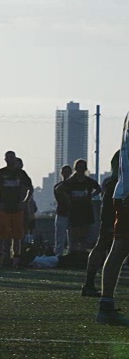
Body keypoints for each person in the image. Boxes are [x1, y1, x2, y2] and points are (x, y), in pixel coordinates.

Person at [97, 113, 129, 325]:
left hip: (124, 192)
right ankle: (105, 306)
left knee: (119, 249)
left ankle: (106, 305)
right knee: (119, 249)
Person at [0, 151, 33, 269]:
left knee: (17, 237)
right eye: (8, 157)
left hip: (17, 209)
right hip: (4, 209)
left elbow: (30, 189)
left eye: (13, 157)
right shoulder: (0, 173)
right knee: (1, 236)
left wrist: (25, 203)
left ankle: (16, 261)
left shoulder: (21, 174)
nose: (11, 159)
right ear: (5, 159)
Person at [82, 150, 119, 297]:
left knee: (108, 245)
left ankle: (90, 284)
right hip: (117, 201)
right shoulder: (122, 153)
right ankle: (90, 284)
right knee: (105, 244)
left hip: (117, 199)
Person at [55, 159, 101, 254]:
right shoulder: (71, 181)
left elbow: (99, 188)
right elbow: (59, 189)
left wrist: (91, 196)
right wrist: (67, 198)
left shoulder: (88, 181)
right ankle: (73, 252)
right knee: (74, 234)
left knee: (84, 233)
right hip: (74, 210)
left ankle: (82, 252)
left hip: (85, 209)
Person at [53, 165, 73, 256]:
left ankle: (71, 254)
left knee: (72, 237)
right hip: (62, 213)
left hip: (71, 214)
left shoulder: (73, 186)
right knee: (60, 236)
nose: (66, 174)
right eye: (65, 172)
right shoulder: (59, 186)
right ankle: (58, 254)